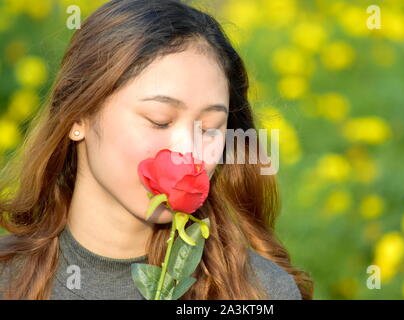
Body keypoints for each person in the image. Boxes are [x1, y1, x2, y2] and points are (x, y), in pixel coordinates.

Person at [0, 0, 313, 300]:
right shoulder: (8, 280)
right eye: (159, 121)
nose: (189, 153)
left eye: (209, 129)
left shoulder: (257, 291)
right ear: (77, 115)